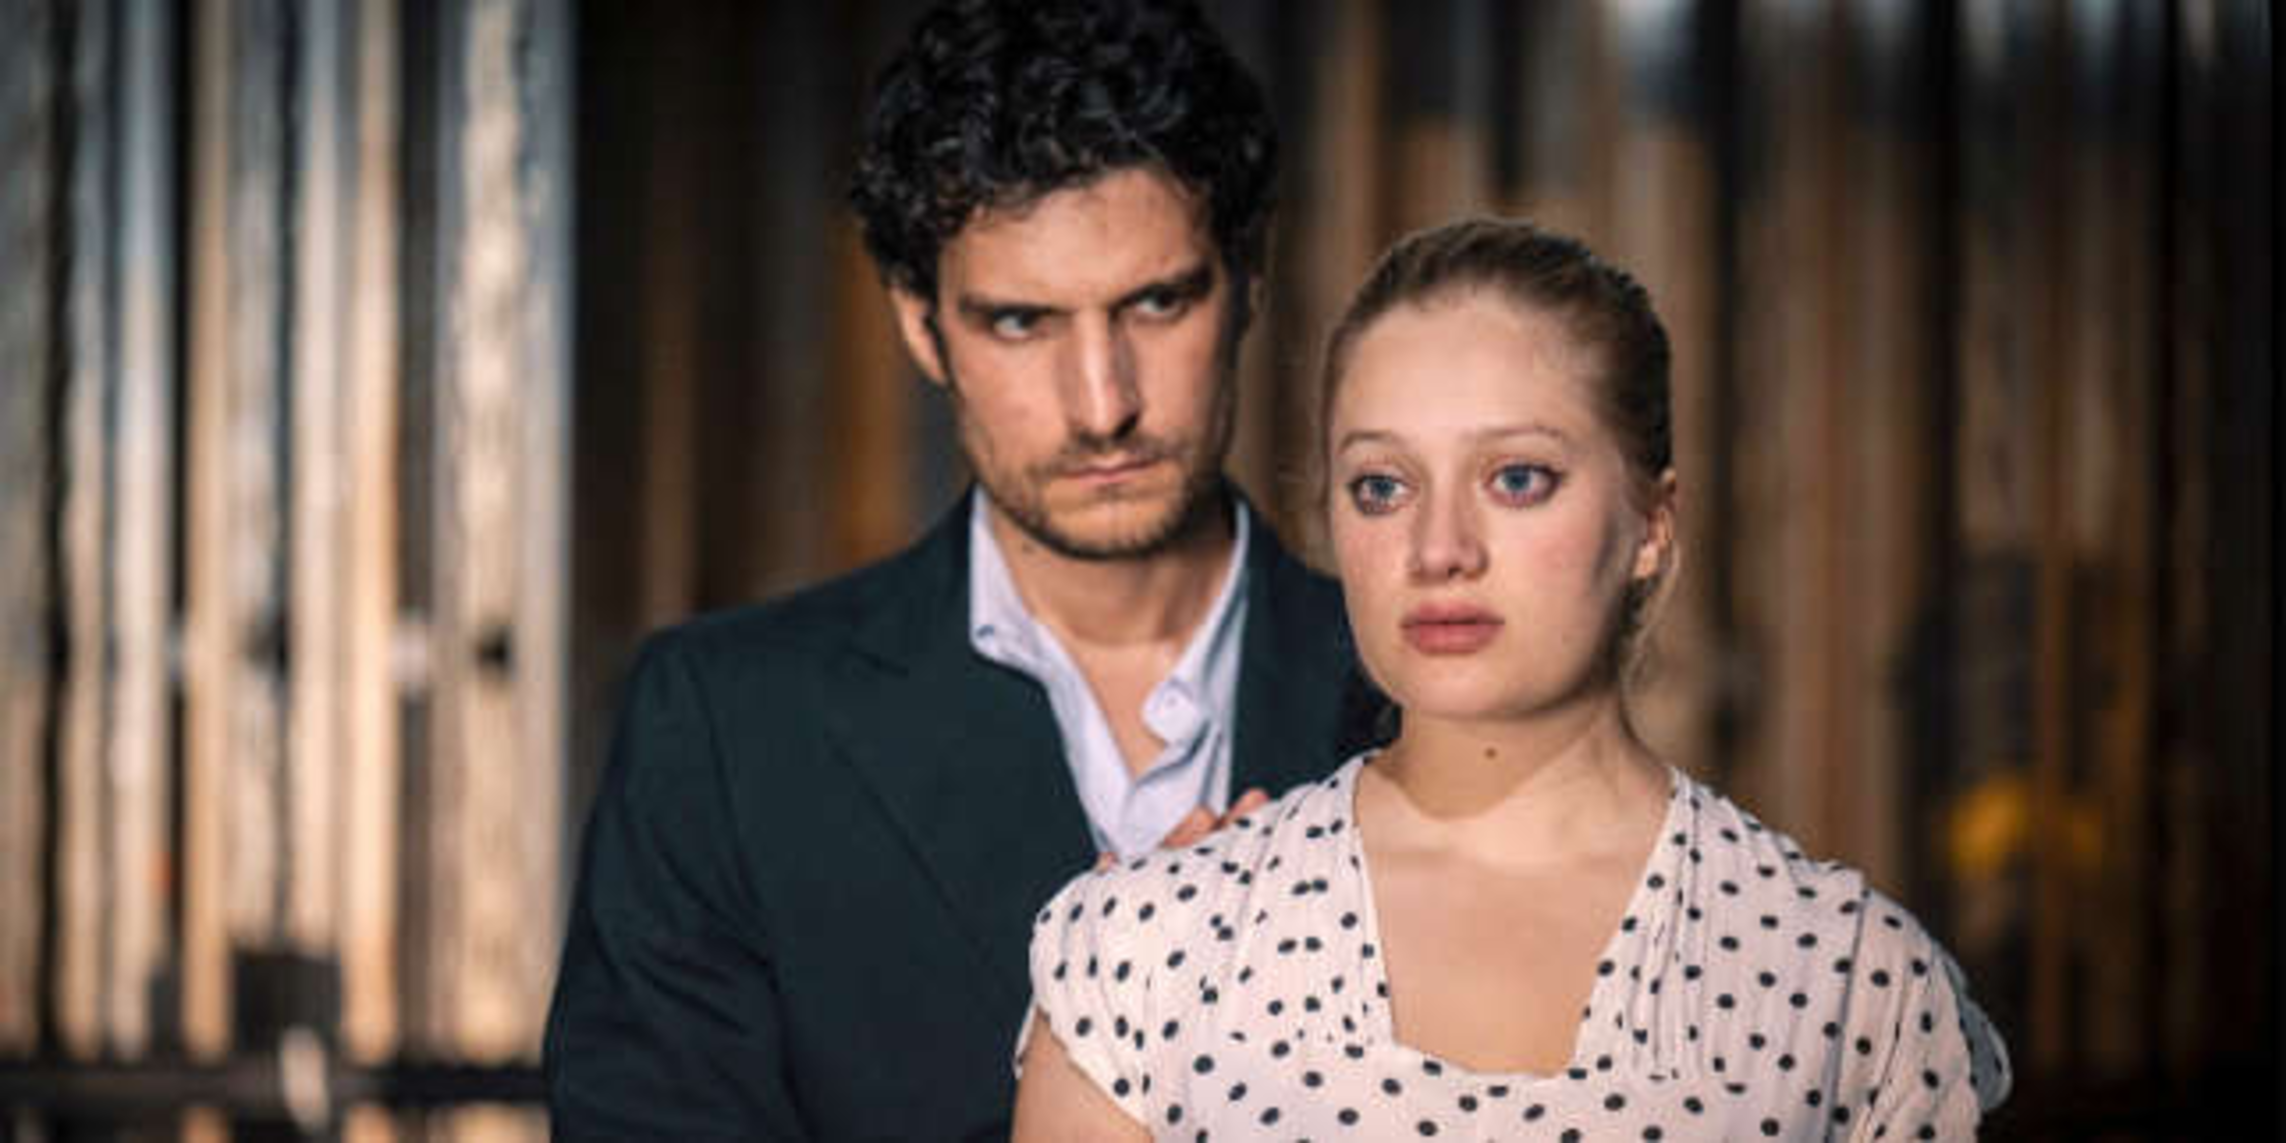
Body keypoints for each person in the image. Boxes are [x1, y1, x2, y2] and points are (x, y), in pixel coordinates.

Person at [543, 1, 1371, 1138]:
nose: (1104, 404)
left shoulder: (1426, 696)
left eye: (1156, 303)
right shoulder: (726, 733)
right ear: (921, 325)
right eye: (1021, 322)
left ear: (1249, 277)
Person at [1011, 218, 2013, 1141]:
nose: (1439, 548)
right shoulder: (1153, 951)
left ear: (1651, 524)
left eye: (1518, 478)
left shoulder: (1849, 982)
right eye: (1382, 486)